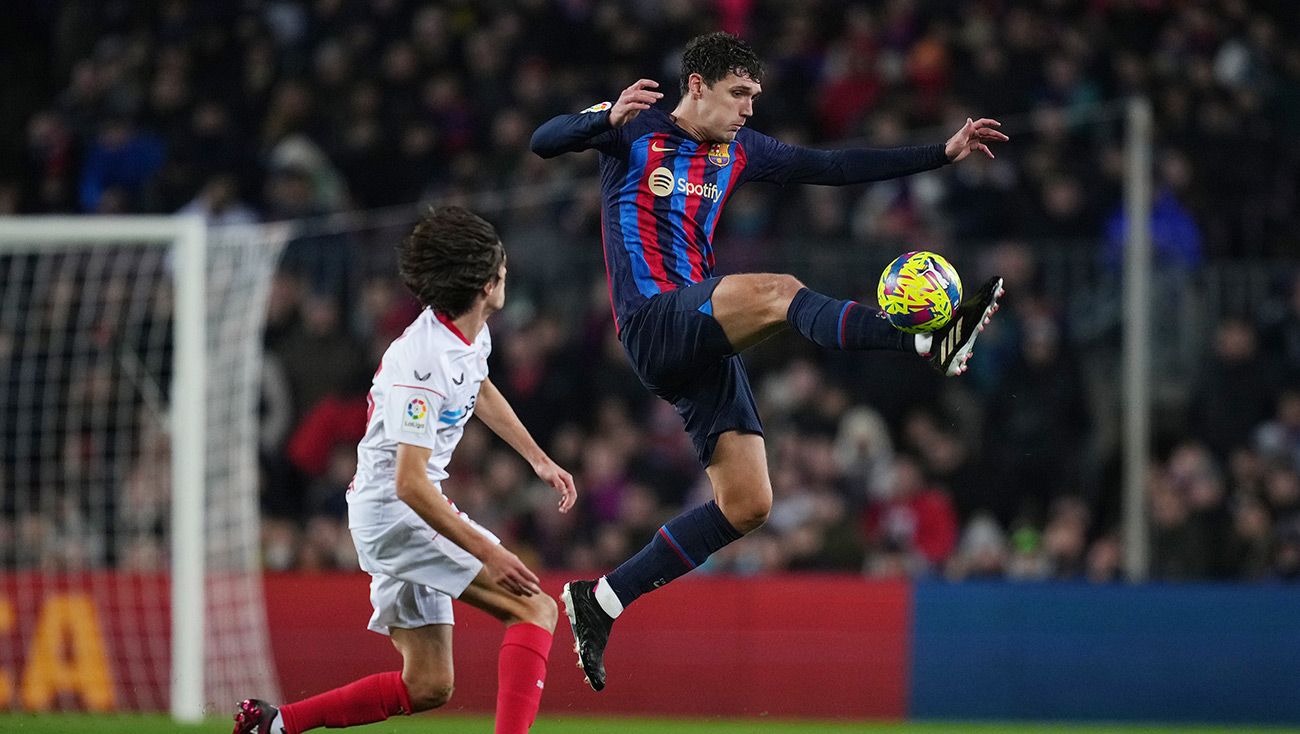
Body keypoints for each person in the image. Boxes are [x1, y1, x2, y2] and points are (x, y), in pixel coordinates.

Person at [530, 31, 1007, 691]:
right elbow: (543, 140)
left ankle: (603, 600)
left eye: (754, 95)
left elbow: (836, 167)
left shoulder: (742, 150)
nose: (749, 109)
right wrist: (599, 118)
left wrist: (942, 153)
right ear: (697, 85)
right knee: (780, 291)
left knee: (748, 503)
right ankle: (925, 340)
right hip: (654, 322)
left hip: (703, 338)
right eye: (739, 94)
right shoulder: (633, 130)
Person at [234, 206, 578, 734]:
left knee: (427, 684)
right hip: (397, 512)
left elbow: (478, 385)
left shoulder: (469, 331)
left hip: (392, 510)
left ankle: (275, 725)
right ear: (487, 284)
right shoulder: (419, 363)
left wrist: (537, 458)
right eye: (503, 269)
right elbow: (410, 483)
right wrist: (491, 551)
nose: (507, 275)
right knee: (534, 608)